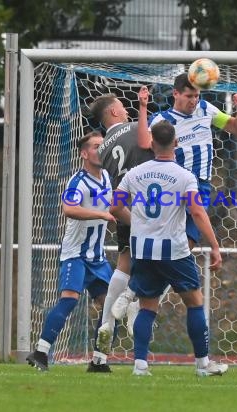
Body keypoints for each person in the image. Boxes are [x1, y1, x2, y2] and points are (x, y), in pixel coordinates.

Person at [111, 73, 237, 319]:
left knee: (184, 247)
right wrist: (143, 107)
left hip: (200, 186)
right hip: (172, 184)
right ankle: (133, 293)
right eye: (189, 96)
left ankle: (134, 295)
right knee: (171, 248)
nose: (194, 100)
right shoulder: (163, 119)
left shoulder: (206, 109)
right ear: (176, 94)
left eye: (197, 95)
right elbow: (144, 142)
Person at [110, 120, 228, 377]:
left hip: (142, 249)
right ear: (176, 143)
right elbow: (196, 211)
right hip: (173, 250)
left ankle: (140, 366)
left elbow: (115, 208)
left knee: (148, 306)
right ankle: (202, 365)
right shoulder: (186, 177)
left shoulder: (133, 174)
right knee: (195, 303)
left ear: (151, 144)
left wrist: (137, 222)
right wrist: (215, 246)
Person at [26, 131, 127, 373]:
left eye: (103, 146)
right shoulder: (78, 182)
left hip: (97, 257)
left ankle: (99, 360)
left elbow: (116, 208)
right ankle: (40, 352)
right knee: (69, 300)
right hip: (76, 254)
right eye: (95, 146)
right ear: (84, 154)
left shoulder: (107, 178)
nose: (100, 150)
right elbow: (69, 209)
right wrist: (101, 214)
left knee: (110, 307)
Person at [90, 88, 155, 353]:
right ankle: (135, 301)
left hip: (123, 208)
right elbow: (150, 143)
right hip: (148, 207)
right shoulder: (134, 129)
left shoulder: (102, 147)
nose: (127, 110)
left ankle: (105, 326)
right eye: (123, 107)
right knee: (169, 260)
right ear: (115, 111)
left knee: (123, 264)